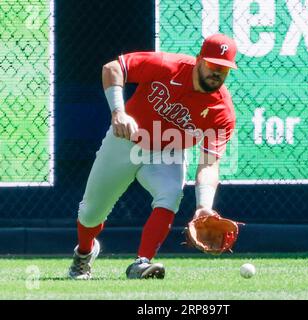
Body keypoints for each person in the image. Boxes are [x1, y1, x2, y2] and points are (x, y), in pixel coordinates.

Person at [68, 33, 238, 280]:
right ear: (200, 59)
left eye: (224, 68)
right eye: (213, 65)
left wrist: (204, 206)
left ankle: (142, 262)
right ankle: (84, 253)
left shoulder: (222, 110)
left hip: (169, 152)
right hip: (127, 141)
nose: (218, 72)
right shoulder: (168, 66)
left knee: (170, 195)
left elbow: (209, 164)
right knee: (91, 213)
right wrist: (118, 112)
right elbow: (113, 68)